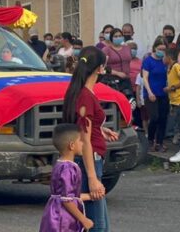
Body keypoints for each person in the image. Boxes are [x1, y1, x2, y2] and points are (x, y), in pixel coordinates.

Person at [62, 46, 119, 232]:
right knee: (97, 226)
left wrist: (100, 130)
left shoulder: (80, 91)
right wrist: (93, 178)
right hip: (90, 161)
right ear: (98, 69)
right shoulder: (86, 96)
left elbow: (84, 125)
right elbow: (85, 139)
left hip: (90, 158)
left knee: (101, 224)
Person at [39, 123, 93, 232]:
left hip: (54, 212)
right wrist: (83, 219)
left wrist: (89, 196)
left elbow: (67, 195)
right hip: (63, 219)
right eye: (80, 140)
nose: (83, 143)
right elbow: (67, 200)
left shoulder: (59, 164)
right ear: (72, 145)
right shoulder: (69, 168)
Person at [143, 37, 169, 152]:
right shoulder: (148, 60)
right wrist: (149, 92)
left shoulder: (166, 61)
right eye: (160, 49)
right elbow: (145, 77)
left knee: (163, 118)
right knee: (154, 117)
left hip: (163, 93)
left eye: (164, 49)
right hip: (151, 93)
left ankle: (160, 142)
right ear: (155, 48)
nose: (161, 51)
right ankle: (150, 139)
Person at [102, 28, 133, 92]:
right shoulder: (106, 50)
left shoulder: (127, 48)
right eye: (115, 36)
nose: (118, 38)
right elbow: (103, 67)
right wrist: (117, 73)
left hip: (126, 80)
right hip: (113, 80)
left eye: (120, 36)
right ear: (111, 38)